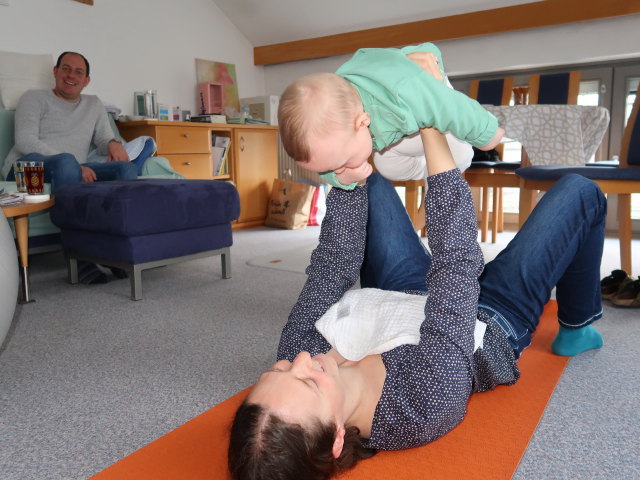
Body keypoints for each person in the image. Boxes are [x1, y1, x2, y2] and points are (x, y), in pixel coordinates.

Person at [227, 121, 606, 477]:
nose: (301, 360)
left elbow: (333, 265)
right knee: (581, 190)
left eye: (276, 371)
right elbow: (456, 265)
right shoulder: (423, 404)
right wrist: (432, 128)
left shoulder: (297, 352)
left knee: (359, 177)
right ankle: (577, 325)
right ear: (338, 437)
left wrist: (340, 155)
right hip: (490, 315)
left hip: (399, 292)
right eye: (308, 382)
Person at [277, 42, 504, 190]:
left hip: (427, 95)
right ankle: (424, 171)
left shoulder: (403, 92)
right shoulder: (338, 116)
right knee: (386, 166)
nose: (336, 170)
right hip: (394, 131)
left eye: (342, 164)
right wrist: (342, 178)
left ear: (362, 123)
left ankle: (440, 171)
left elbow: (451, 106)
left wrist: (487, 134)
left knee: (458, 156)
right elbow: (328, 164)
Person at [2, 51, 156, 191]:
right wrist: (73, 165)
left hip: (73, 167)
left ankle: (119, 219)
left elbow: (103, 139)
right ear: (55, 71)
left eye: (78, 72)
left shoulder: (94, 104)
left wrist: (112, 143)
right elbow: (25, 141)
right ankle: (67, 220)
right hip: (24, 167)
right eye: (66, 69)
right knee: (66, 161)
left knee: (125, 169)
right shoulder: (33, 97)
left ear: (86, 80)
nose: (71, 75)